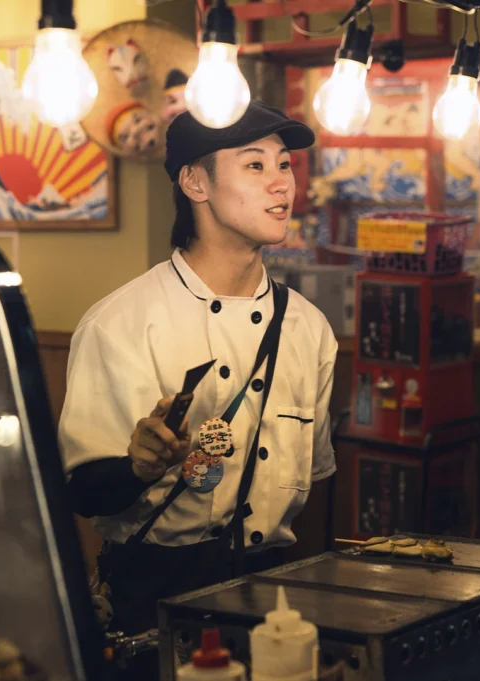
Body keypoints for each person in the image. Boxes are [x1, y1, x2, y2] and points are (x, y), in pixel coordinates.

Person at [59, 101, 337, 680]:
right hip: (154, 597)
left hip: (275, 597)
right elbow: (83, 492)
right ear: (194, 181)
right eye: (255, 166)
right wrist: (137, 467)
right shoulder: (122, 323)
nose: (282, 183)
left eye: (284, 165)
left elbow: (316, 486)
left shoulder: (308, 328)